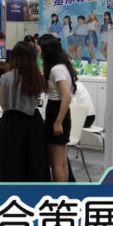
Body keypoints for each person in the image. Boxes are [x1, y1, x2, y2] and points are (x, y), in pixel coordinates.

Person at [0, 41, 50, 182]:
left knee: (9, 160)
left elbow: (2, 103)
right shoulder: (36, 77)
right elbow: (37, 100)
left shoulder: (5, 78)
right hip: (32, 123)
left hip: (9, 122)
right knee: (33, 161)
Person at [38, 34, 75, 182]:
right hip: (59, 112)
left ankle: (59, 193)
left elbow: (67, 96)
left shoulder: (56, 70)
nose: (39, 53)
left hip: (57, 112)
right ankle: (64, 191)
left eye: (40, 50)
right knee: (62, 161)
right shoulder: (62, 66)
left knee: (56, 163)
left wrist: (58, 122)